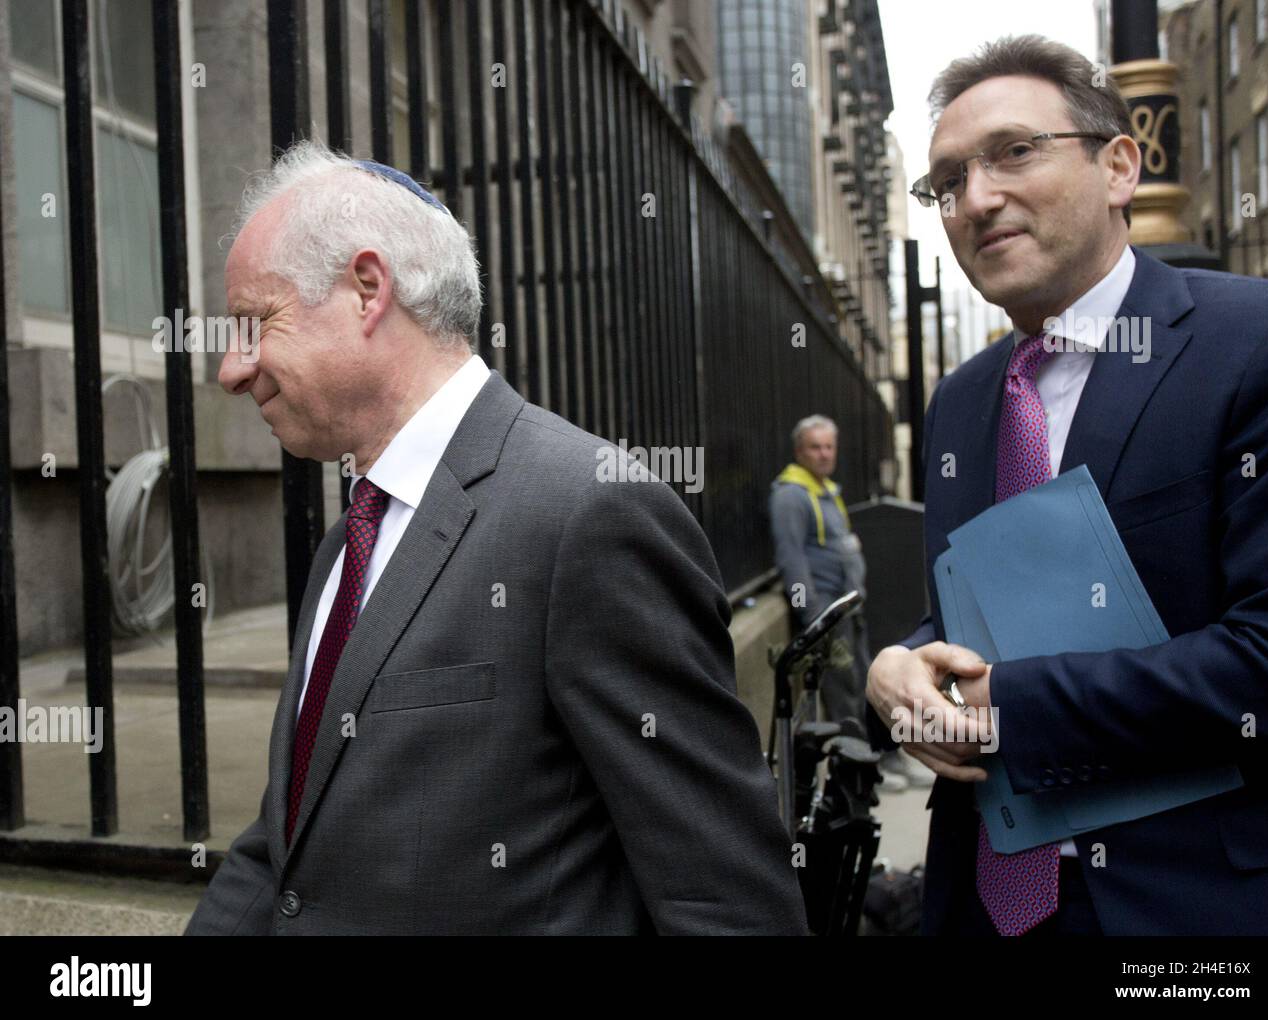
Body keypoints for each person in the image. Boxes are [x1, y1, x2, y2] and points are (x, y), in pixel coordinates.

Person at [184, 140, 807, 935]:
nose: (232, 370)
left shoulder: (590, 514)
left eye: (254, 322)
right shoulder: (348, 544)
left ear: (367, 290)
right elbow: (285, 845)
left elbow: (723, 896)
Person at [866, 35, 1268, 936]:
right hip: (981, 904)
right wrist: (899, 668)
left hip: (1186, 915)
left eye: (1015, 153)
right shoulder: (961, 401)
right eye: (946, 183)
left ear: (1118, 166)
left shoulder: (1262, 347)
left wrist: (1006, 710)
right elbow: (969, 624)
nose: (976, 200)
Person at [769, 417, 930, 791]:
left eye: (829, 447)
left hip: (848, 610)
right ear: (799, 451)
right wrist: (815, 621)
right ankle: (861, 774)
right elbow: (792, 560)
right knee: (844, 694)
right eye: (815, 447)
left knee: (868, 683)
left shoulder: (823, 489)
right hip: (828, 615)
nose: (824, 454)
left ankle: (885, 757)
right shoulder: (791, 495)